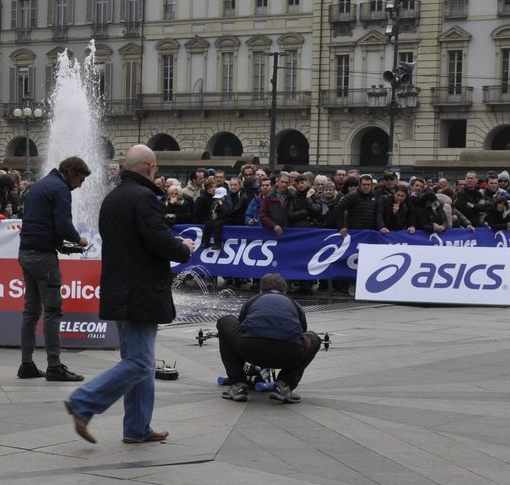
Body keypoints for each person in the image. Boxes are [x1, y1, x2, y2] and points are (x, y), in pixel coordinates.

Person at [65, 144, 197, 445]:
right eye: (157, 168)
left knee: (140, 362)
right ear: (150, 167)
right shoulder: (144, 198)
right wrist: (183, 249)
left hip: (119, 288)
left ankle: (137, 427)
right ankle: (84, 402)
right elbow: (158, 242)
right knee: (139, 363)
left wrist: (164, 239)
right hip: (141, 291)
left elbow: (136, 239)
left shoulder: (113, 198)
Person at [17, 155, 91, 382]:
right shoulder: (61, 189)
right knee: (52, 311)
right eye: (80, 179)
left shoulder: (40, 185)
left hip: (26, 252)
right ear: (72, 173)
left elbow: (39, 221)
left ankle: (26, 364)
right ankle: (54, 366)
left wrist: (59, 244)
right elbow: (63, 224)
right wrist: (79, 240)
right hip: (43, 258)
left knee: (31, 311)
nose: (80, 185)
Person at [215, 273, 319, 403]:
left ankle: (238, 384)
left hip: (249, 350)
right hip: (289, 354)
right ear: (285, 291)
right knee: (314, 338)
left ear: (261, 290)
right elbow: (303, 332)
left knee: (225, 321)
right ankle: (284, 384)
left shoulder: (253, 300)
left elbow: (241, 327)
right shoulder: (294, 304)